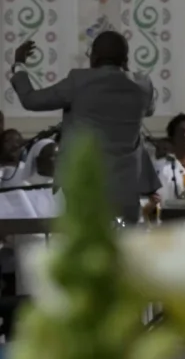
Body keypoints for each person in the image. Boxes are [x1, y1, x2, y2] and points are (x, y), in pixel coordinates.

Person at [8, 34, 159, 222]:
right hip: (127, 184)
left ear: (93, 57)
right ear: (126, 59)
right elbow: (150, 109)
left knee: (86, 244)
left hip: (84, 183)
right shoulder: (143, 85)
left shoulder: (79, 81)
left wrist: (19, 65)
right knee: (124, 245)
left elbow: (31, 100)